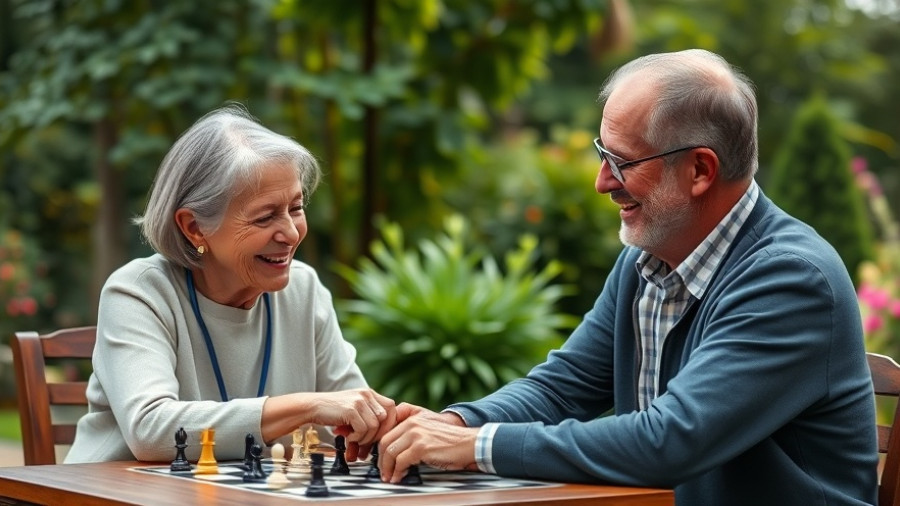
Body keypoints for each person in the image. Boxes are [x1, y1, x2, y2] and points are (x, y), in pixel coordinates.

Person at [377, 49, 878, 504]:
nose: (601, 182)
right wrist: (453, 423)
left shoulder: (789, 279)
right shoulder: (648, 259)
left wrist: (476, 445)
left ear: (700, 170)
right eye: (603, 154)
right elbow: (563, 387)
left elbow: (671, 441)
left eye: (621, 162)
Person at [66, 104, 395, 463]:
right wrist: (309, 406)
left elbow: (353, 407)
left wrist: (400, 426)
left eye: (296, 208)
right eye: (265, 216)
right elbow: (151, 431)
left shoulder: (304, 289)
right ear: (194, 227)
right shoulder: (138, 292)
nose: (289, 232)